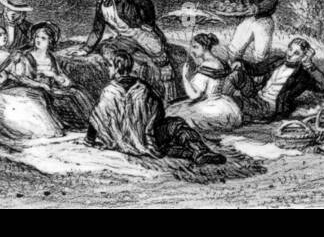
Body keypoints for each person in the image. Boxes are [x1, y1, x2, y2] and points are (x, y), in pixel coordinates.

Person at [86, 50, 225, 165]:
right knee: (176, 124)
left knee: (162, 142)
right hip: (146, 138)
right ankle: (200, 151)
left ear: (117, 68)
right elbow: (159, 112)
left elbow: (97, 117)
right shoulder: (143, 88)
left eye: (109, 66)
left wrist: (90, 139)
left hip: (121, 141)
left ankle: (192, 154)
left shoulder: (108, 91)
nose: (108, 69)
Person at [71, 0, 180, 101]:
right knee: (108, 50)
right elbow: (97, 30)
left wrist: (148, 23)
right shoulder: (100, 7)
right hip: (124, 38)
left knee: (163, 62)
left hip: (141, 32)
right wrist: (85, 49)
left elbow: (147, 4)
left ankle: (171, 99)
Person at [0, 23, 64, 144]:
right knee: (18, 105)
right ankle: (35, 130)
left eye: (5, 34)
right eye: (0, 35)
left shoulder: (8, 55)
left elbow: (16, 76)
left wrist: (17, 65)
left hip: (7, 88)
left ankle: (48, 128)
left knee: (31, 96)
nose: (4, 37)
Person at [9, 22, 94, 131]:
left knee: (78, 91)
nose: (38, 40)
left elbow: (61, 76)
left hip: (52, 88)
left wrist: (55, 76)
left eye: (43, 38)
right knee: (63, 99)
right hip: (36, 90)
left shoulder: (52, 57)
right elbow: (21, 78)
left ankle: (93, 122)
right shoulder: (26, 57)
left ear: (50, 41)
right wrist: (41, 84)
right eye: (37, 37)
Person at [232, 37, 324, 123]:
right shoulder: (277, 60)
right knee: (236, 76)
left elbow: (323, 86)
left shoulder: (302, 76)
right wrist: (242, 64)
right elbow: (257, 69)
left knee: (233, 103)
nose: (290, 54)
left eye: (296, 53)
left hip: (270, 106)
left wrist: (309, 64)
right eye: (290, 49)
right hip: (257, 95)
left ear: (303, 57)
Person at [166, 33, 243, 133]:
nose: (192, 50)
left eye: (195, 47)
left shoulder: (206, 66)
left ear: (205, 47)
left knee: (172, 113)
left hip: (211, 108)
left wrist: (185, 76)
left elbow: (194, 95)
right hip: (225, 107)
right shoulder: (219, 62)